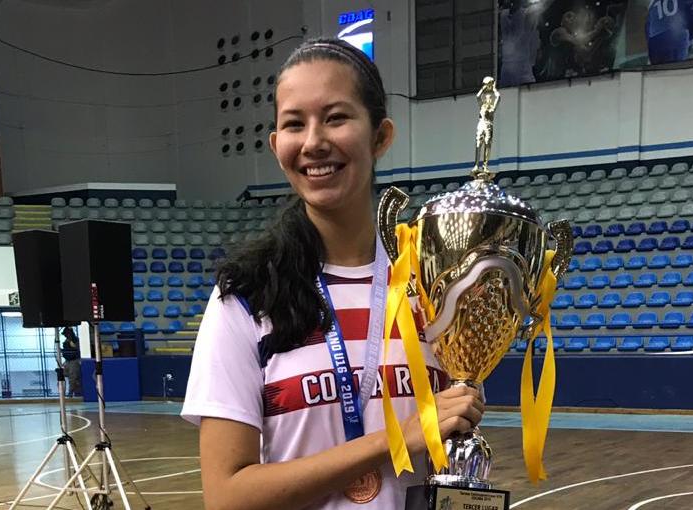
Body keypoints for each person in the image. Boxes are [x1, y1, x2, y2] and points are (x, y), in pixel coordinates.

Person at [181, 37, 485, 509]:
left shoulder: (434, 285)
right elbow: (226, 497)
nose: (313, 142)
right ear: (276, 145)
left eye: (336, 117)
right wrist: (397, 437)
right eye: (294, 124)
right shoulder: (246, 297)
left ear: (380, 136)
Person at [60, 327, 81, 397]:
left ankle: (70, 393)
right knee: (62, 374)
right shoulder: (66, 341)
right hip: (67, 360)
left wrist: (70, 341)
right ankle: (72, 387)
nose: (65, 335)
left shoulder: (75, 340)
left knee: (72, 377)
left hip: (74, 361)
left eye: (66, 334)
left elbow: (76, 347)